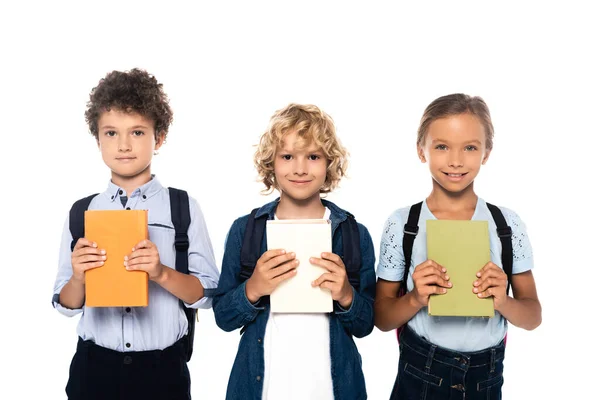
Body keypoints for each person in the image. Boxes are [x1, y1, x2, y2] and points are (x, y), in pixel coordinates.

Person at [52, 68, 220, 400]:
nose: (124, 145)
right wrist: (79, 278)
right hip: (94, 370)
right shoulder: (81, 212)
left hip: (163, 372)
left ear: (159, 138)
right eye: (111, 133)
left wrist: (160, 273)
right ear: (97, 139)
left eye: (138, 132)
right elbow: (66, 304)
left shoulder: (182, 207)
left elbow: (209, 294)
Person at [374, 93, 542, 399]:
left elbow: (533, 316)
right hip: (419, 372)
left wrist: (503, 300)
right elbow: (382, 318)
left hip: (486, 377)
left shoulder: (506, 224)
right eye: (441, 146)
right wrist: (415, 298)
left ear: (486, 153)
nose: (455, 160)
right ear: (421, 151)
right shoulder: (403, 224)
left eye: (470, 147)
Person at [213, 103, 376, 400]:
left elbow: (366, 324)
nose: (300, 168)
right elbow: (223, 317)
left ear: (329, 162)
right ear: (271, 163)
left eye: (313, 156)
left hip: (333, 389)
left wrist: (346, 295)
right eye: (287, 156)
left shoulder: (353, 233)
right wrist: (253, 288)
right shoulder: (246, 230)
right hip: (262, 388)